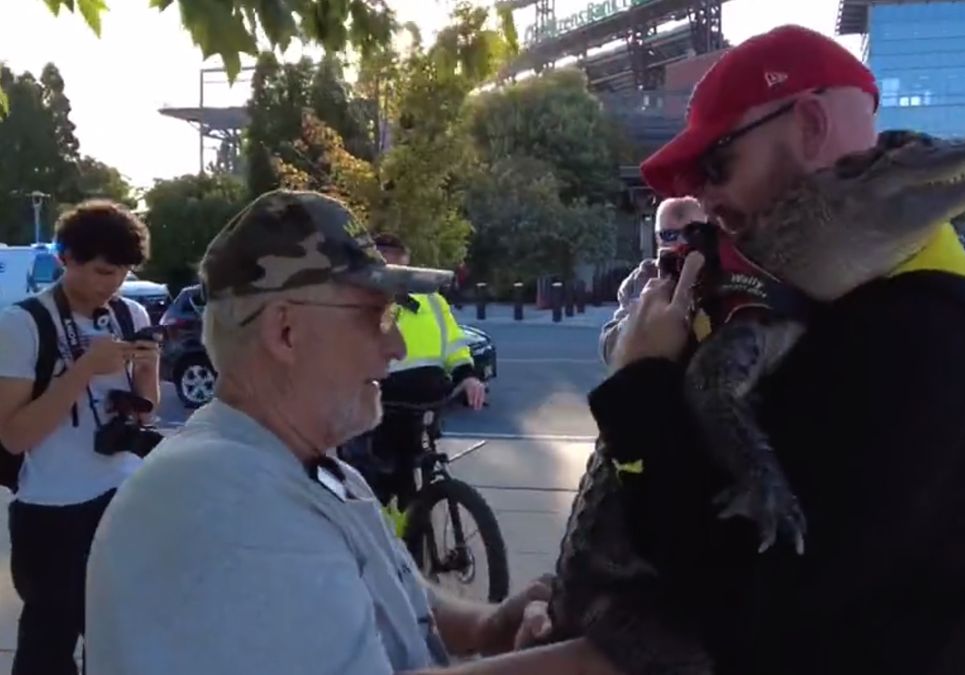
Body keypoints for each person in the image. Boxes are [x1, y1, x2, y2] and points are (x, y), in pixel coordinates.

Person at [596, 25, 965, 674]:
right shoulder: (821, 300)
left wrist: (640, 388)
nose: (703, 200)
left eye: (718, 165)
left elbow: (746, 612)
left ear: (806, 124)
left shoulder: (917, 341)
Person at [84, 190, 619, 675]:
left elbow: (387, 589)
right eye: (374, 317)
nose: (397, 348)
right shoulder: (222, 502)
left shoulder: (301, 466)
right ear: (286, 332)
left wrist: (484, 628)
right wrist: (603, 661)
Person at [0, 200, 159, 675]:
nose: (110, 285)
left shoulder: (129, 314)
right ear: (65, 257)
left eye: (122, 274)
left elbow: (144, 416)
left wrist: (148, 371)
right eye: (102, 271)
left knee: (121, 644)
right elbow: (12, 436)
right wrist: (83, 369)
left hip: (123, 500)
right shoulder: (24, 324)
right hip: (52, 510)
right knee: (46, 651)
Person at [355, 233, 487, 506]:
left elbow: (454, 344)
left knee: (405, 480)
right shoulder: (360, 301)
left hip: (426, 398)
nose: (396, 277)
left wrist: (468, 377)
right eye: (386, 268)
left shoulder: (432, 300)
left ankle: (409, 528)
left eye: (401, 269)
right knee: (374, 483)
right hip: (382, 403)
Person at [599, 196, 706, 365]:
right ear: (657, 239)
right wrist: (641, 312)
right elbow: (609, 349)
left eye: (692, 234)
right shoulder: (641, 279)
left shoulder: (721, 276)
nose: (681, 243)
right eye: (670, 235)